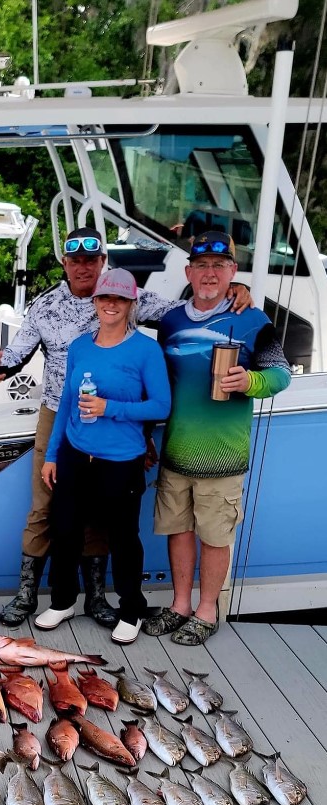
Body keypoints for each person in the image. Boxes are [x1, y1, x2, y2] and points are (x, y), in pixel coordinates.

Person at [0, 227, 251, 630]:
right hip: (60, 417)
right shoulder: (45, 307)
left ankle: (96, 597)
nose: (83, 267)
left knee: (107, 520)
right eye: (75, 261)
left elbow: (189, 306)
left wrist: (235, 286)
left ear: (103, 265)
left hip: (118, 430)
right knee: (49, 511)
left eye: (91, 260)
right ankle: (31, 594)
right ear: (65, 264)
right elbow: (17, 353)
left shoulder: (129, 298)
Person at [143, 231, 292, 645]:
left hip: (222, 454)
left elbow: (280, 376)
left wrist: (250, 379)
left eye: (219, 266)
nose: (209, 274)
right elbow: (162, 383)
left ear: (232, 272)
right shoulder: (170, 319)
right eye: (201, 266)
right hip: (176, 447)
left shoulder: (254, 319)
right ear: (189, 271)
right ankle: (180, 605)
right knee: (178, 529)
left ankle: (207, 610)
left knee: (215, 535)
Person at [38, 268, 171, 644]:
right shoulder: (79, 346)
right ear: (95, 301)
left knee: (123, 538)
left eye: (120, 299)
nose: (111, 305)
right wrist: (52, 454)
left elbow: (161, 405)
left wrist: (109, 407)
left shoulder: (146, 349)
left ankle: (132, 609)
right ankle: (63, 601)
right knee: (65, 531)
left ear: (131, 304)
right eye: (104, 297)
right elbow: (65, 403)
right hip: (76, 456)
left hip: (121, 462)